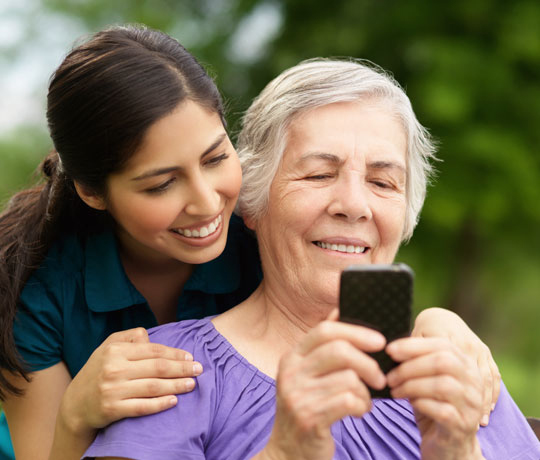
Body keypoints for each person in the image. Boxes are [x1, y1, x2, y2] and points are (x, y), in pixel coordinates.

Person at [0, 27, 499, 460]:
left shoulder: (257, 231)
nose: (207, 203)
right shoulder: (36, 295)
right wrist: (74, 415)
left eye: (216, 158)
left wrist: (441, 322)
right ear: (93, 192)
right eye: (160, 184)